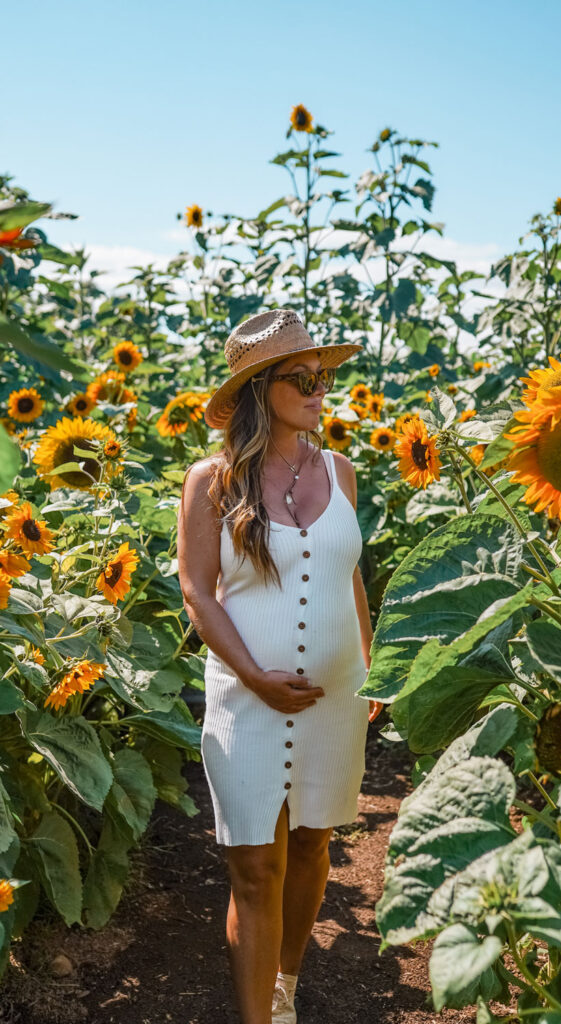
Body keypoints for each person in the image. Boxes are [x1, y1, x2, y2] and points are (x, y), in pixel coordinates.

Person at [177, 308, 383, 1024]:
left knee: (311, 842)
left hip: (335, 697)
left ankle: (285, 986)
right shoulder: (213, 480)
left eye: (322, 374)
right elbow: (198, 592)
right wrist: (255, 677)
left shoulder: (341, 471)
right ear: (259, 389)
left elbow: (350, 576)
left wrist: (370, 664)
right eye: (301, 376)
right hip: (246, 700)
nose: (319, 387)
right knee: (254, 866)